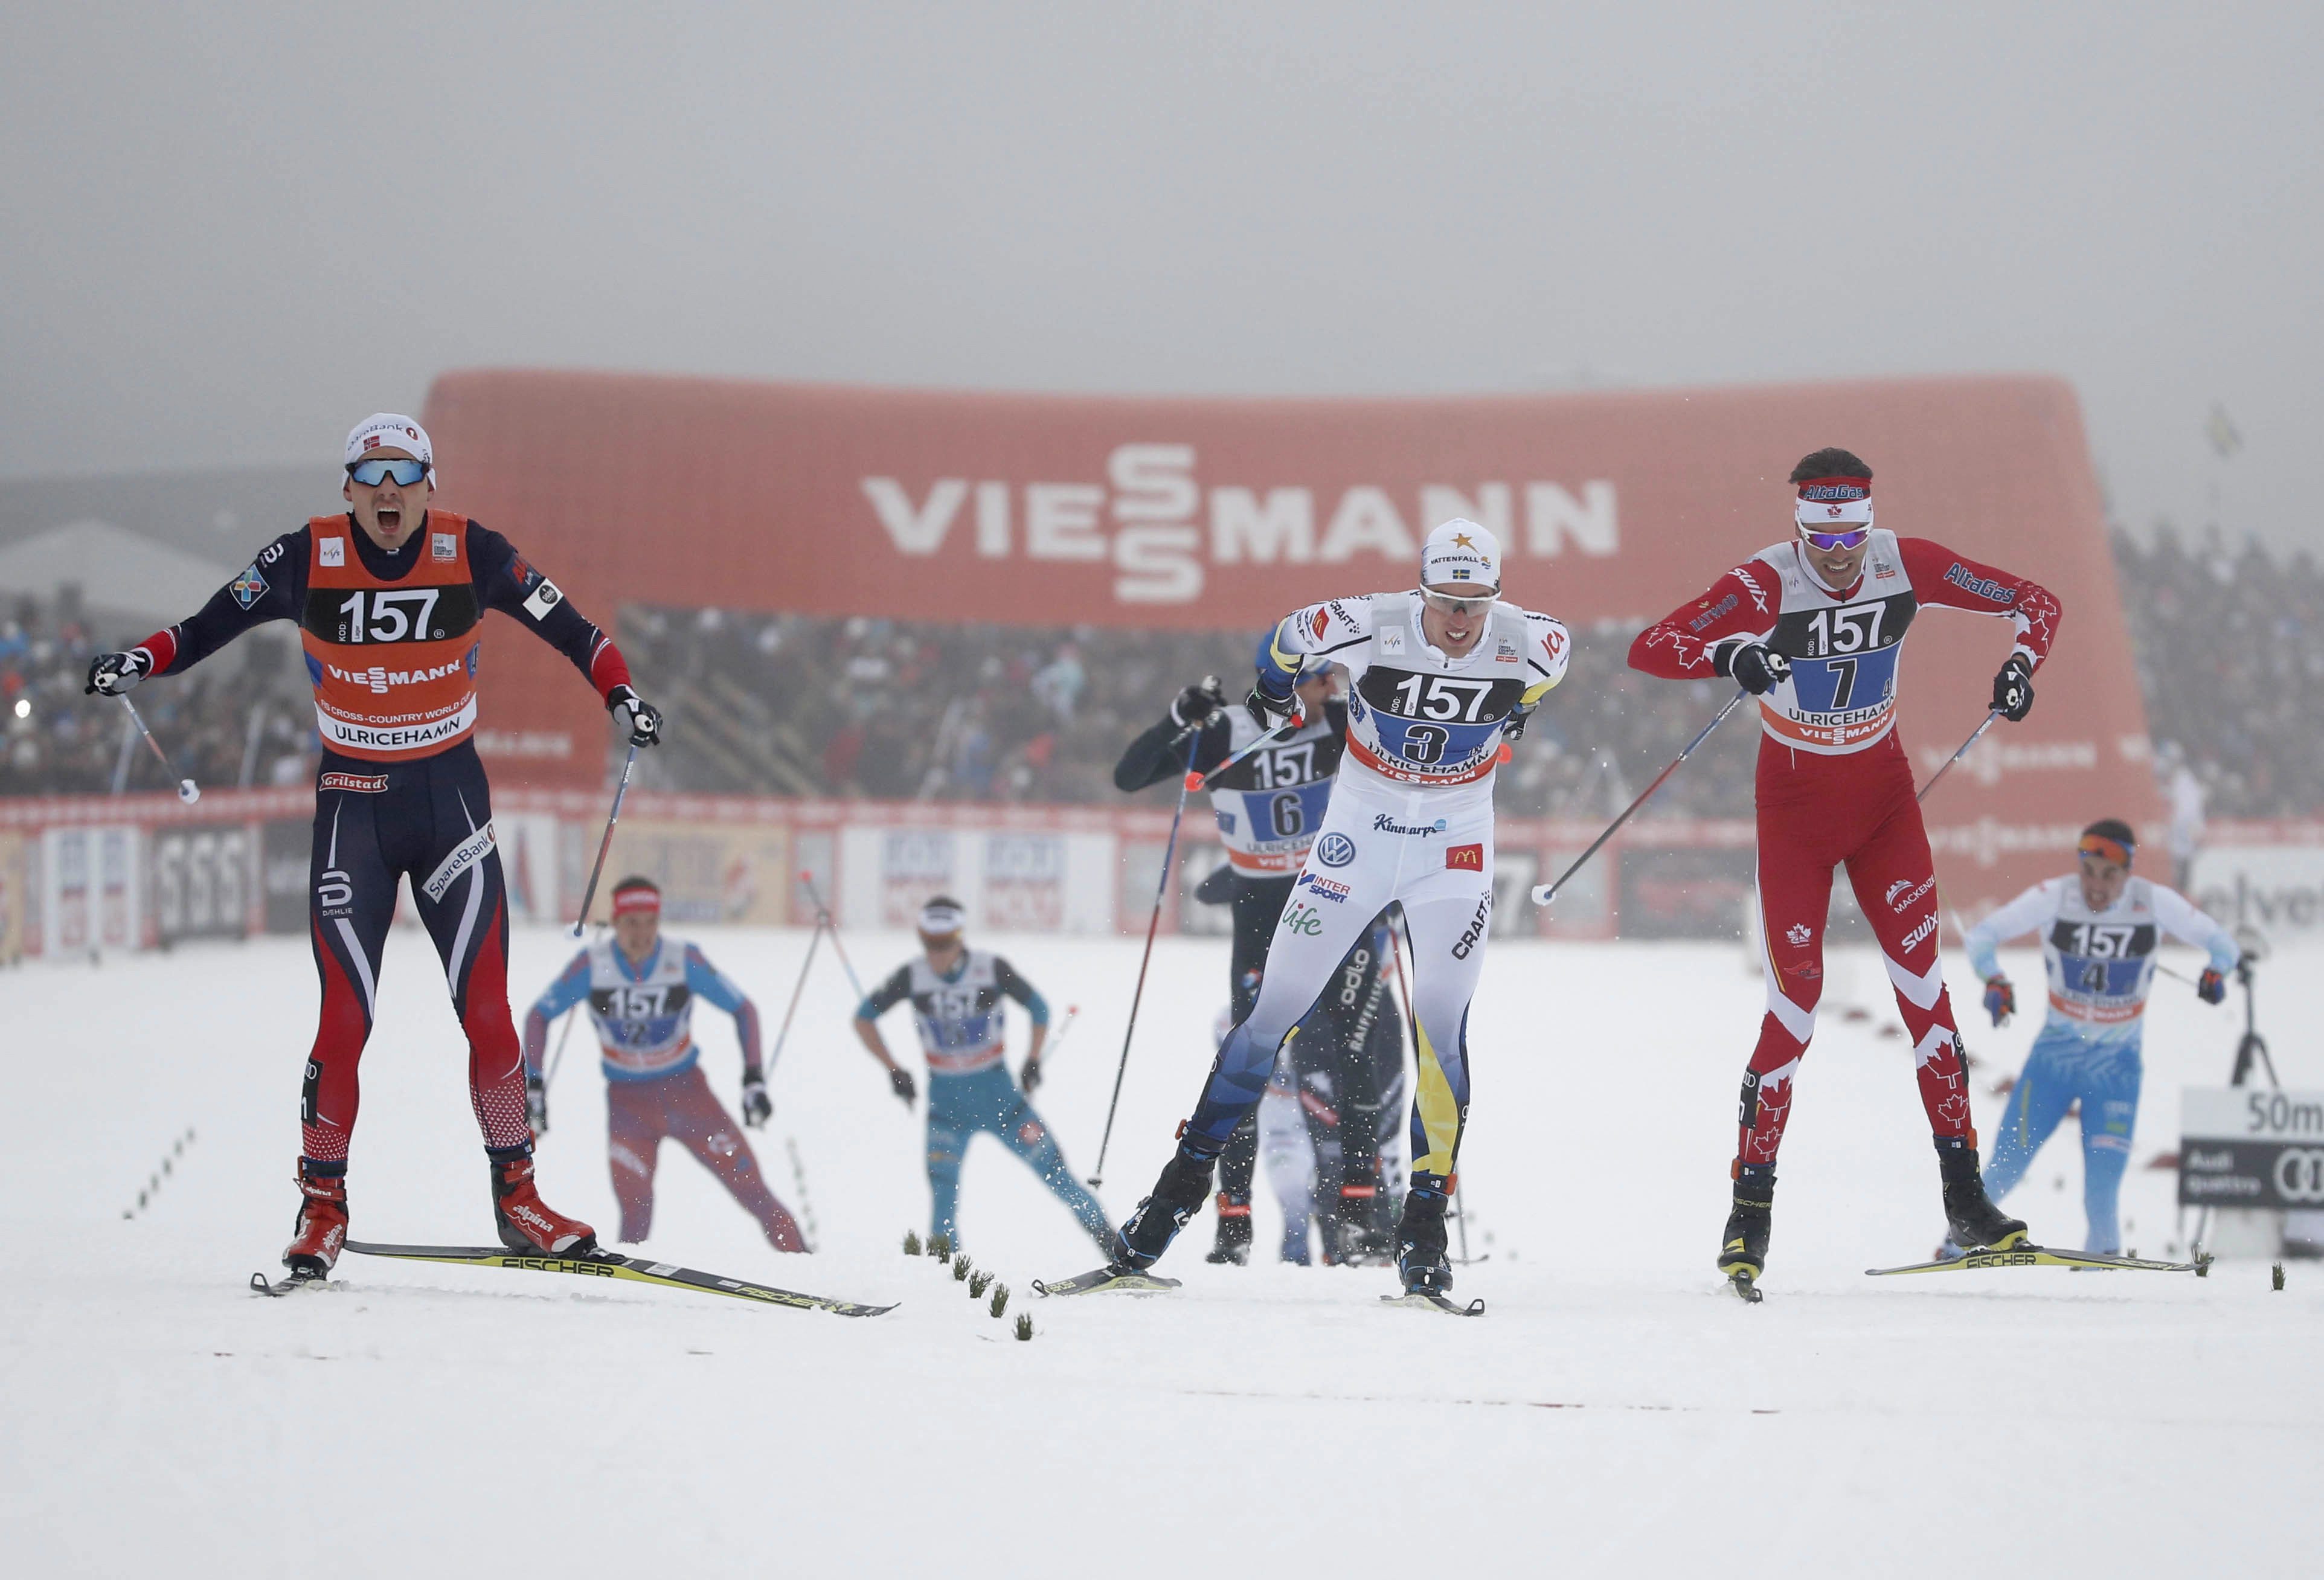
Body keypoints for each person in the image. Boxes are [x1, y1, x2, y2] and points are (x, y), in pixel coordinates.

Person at [83, 414, 663, 1281]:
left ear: (431, 486)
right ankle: (322, 1206)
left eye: (405, 474)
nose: (388, 491)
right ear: (348, 489)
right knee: (346, 1019)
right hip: (353, 806)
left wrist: (623, 696)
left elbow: (576, 629)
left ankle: (520, 1199)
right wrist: (139, 657)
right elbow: (207, 626)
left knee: (490, 1016)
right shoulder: (302, 557)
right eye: (370, 474)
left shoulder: (475, 551)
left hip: (450, 805)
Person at [1628, 446, 2062, 1292]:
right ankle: (1748, 1215)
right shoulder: (1765, 582)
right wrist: (1734, 658)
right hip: (1792, 811)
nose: (1839, 555)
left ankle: (1967, 1203)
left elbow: (2036, 603)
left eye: (1852, 536)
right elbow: (1654, 645)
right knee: (1794, 1007)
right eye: (1823, 538)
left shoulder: (1906, 563)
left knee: (1925, 994)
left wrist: (2020, 668)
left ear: (1869, 520)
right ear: (1800, 526)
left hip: (1883, 803)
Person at [1101, 519, 1569, 1298]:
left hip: (1452, 849)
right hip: (1355, 840)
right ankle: (1169, 1205)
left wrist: (1517, 707)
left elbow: (1543, 679)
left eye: (1476, 604)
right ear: (1420, 591)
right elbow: (1284, 641)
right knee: (1267, 1018)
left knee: (1440, 1028)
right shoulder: (1366, 622)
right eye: (1445, 602)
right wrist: (1272, 693)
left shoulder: (1537, 641)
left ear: (1497, 596)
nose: (1459, 621)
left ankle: (1422, 1229)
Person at [1112, 657, 1401, 1263]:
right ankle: (1232, 1224)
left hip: (1337, 907)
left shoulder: (1348, 725)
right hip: (1262, 918)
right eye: (1327, 680)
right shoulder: (1226, 732)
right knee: (1248, 1059)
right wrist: (1175, 720)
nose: (1336, 691)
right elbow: (1129, 776)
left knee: (1355, 1053)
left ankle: (1359, 1216)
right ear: (1296, 682)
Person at [1957, 820, 2236, 1254]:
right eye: (2090, 871)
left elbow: (2223, 944)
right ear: (2080, 865)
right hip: (2052, 1064)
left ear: (2129, 872)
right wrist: (1994, 980)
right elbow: (1982, 936)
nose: (2098, 886)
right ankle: (1951, 1248)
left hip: (2117, 1071)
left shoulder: (2152, 901)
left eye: (2111, 875)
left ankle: (2101, 1270)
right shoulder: (2056, 896)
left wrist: (2216, 971)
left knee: (2101, 1195)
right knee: (2004, 1170)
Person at [522, 876, 806, 1253]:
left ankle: (811, 1275)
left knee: (754, 1192)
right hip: (629, 1108)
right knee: (635, 1213)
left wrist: (753, 1079)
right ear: (616, 922)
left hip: (690, 1098)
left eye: (649, 923)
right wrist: (535, 1086)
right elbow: (540, 1016)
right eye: (631, 924)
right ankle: (625, 1301)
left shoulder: (681, 959)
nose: (641, 934)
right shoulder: (594, 964)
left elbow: (744, 1009)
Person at [853, 897, 1111, 1251]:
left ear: (959, 938)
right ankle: (943, 1272)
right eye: (929, 944)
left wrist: (1033, 1059)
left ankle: (1116, 1248)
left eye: (944, 944)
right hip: (947, 1112)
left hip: (1004, 1104)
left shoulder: (990, 968)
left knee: (1059, 1177)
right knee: (943, 1199)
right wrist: (893, 1069)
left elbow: (1038, 1008)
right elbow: (863, 1018)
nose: (936, 954)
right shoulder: (912, 976)